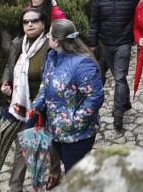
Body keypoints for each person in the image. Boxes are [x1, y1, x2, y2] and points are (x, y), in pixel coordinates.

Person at [30, 19, 104, 174]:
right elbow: (46, 83)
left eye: (49, 35)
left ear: (56, 41)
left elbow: (95, 97)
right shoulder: (52, 56)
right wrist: (36, 106)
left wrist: (74, 121)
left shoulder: (82, 64)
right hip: (56, 131)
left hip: (77, 135)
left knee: (74, 174)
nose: (47, 38)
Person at [0, 8, 62, 192]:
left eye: (34, 21)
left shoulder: (50, 45)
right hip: (23, 104)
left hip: (47, 104)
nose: (29, 24)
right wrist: (6, 81)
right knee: (22, 145)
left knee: (50, 143)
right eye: (26, 22)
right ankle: (15, 186)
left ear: (43, 23)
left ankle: (54, 172)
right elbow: (9, 65)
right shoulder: (18, 44)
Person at [88, 0, 139, 131]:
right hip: (106, 43)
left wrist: (136, 37)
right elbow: (94, 22)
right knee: (119, 76)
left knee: (119, 76)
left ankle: (118, 113)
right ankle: (126, 101)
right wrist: (93, 44)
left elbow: (139, 17)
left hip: (124, 42)